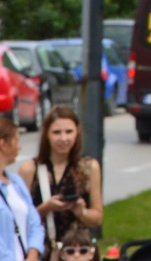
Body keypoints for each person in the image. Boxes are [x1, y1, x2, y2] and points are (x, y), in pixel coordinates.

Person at [19, 107, 103, 260]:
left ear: (78, 131)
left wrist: (81, 211)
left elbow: (97, 218)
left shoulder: (89, 167)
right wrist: (46, 208)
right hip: (41, 252)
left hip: (77, 253)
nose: (63, 138)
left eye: (69, 132)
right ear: (46, 134)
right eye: (56, 132)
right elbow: (19, 221)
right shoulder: (30, 169)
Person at [0, 117, 44, 261]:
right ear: (3, 144)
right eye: (16, 140)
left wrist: (32, 254)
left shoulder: (16, 182)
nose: (20, 147)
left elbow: (35, 223)